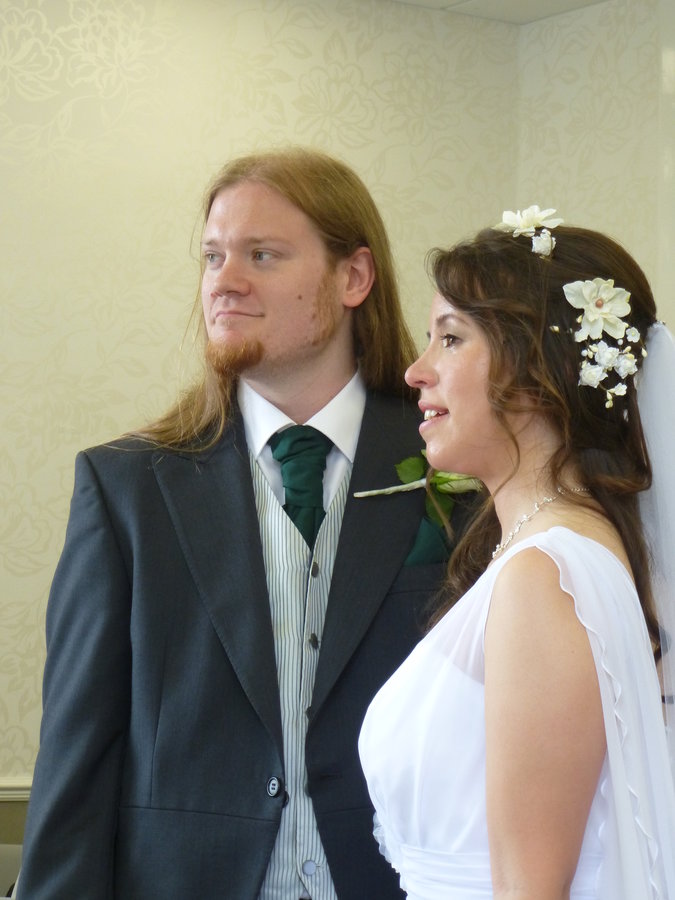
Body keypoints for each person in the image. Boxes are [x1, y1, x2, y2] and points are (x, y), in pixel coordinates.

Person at [18, 148, 473, 899]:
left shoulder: (459, 475)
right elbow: (77, 758)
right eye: (212, 256)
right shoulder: (126, 488)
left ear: (353, 277)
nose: (223, 282)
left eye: (261, 255)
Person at [359, 207, 675, 899]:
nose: (416, 371)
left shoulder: (547, 575)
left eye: (450, 339)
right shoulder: (547, 553)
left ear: (535, 371)